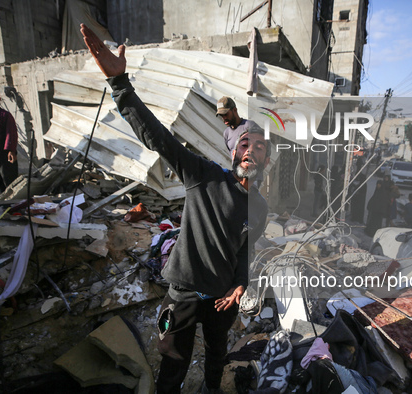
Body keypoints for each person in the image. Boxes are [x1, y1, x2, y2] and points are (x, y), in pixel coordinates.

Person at [80, 24, 270, 394]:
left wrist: (240, 282)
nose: (252, 150)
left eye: (261, 146)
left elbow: (244, 249)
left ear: (266, 158)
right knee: (173, 366)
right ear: (233, 151)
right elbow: (158, 138)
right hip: (183, 293)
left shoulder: (260, 207)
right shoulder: (204, 176)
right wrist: (121, 86)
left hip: (221, 299)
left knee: (216, 357)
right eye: (245, 142)